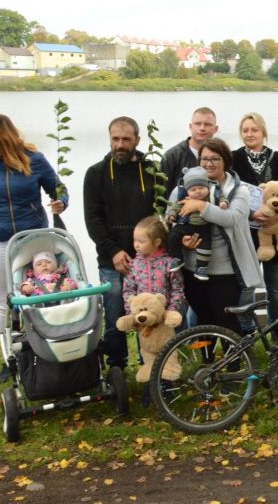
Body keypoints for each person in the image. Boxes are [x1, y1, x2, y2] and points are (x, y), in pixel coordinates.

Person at [0, 114, 67, 369]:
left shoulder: (34, 160)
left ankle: (47, 349)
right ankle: (11, 359)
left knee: (40, 294)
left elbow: (58, 188)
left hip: (33, 238)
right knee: (6, 298)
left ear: (3, 140)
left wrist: (61, 202)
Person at [83, 115, 159, 372]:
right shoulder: (95, 174)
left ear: (138, 140)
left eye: (126, 139)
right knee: (115, 316)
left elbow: (159, 215)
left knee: (148, 315)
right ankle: (116, 368)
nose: (120, 145)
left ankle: (148, 367)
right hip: (111, 260)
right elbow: (93, 220)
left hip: (146, 259)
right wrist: (113, 252)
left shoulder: (152, 172)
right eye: (115, 139)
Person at [172, 138, 263, 332]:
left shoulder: (239, 190)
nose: (208, 163)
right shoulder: (183, 188)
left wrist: (201, 206)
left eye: (214, 158)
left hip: (226, 270)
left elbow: (231, 217)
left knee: (226, 320)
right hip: (193, 266)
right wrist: (182, 239)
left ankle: (235, 362)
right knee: (203, 321)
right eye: (204, 159)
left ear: (225, 161)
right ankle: (208, 362)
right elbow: (170, 219)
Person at [231, 112, 278, 327]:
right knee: (246, 286)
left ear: (263, 132)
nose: (250, 134)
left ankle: (277, 330)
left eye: (254, 130)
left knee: (276, 287)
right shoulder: (233, 159)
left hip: (276, 233)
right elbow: (226, 192)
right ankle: (244, 332)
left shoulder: (277, 159)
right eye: (245, 130)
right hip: (245, 232)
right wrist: (251, 214)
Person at [166, 167, 222, 280]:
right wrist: (171, 215)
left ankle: (201, 268)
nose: (197, 191)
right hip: (187, 225)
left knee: (206, 247)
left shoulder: (212, 196)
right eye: (193, 189)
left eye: (201, 188)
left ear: (207, 187)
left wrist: (223, 203)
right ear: (187, 191)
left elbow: (222, 198)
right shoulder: (184, 198)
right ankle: (177, 258)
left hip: (205, 227)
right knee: (172, 237)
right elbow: (175, 206)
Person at [122, 215, 184, 315]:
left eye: (141, 241)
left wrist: (172, 311)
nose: (136, 245)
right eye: (135, 240)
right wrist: (131, 313)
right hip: (143, 317)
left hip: (165, 317)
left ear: (157, 242)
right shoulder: (134, 265)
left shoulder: (169, 264)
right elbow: (128, 290)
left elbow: (177, 289)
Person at [162, 107, 219, 193]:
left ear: (216, 129)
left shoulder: (222, 155)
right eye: (197, 124)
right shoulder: (172, 156)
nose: (202, 128)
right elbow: (164, 192)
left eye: (207, 124)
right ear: (190, 126)